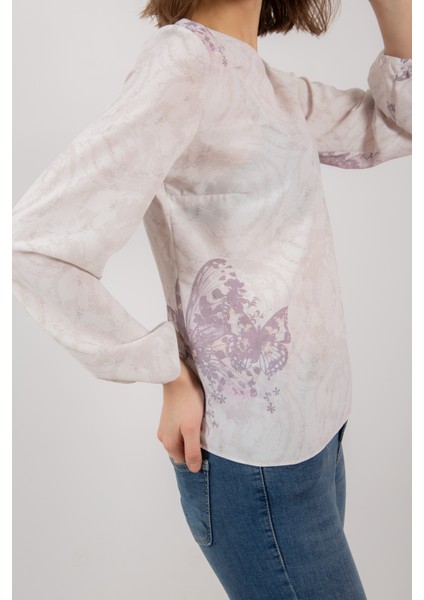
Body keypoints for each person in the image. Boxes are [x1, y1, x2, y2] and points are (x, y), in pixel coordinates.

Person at [12, 0, 411, 598]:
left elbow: (399, 124)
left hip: (320, 438)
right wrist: (167, 372)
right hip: (256, 465)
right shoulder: (183, 65)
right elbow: (36, 246)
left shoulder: (264, 80)